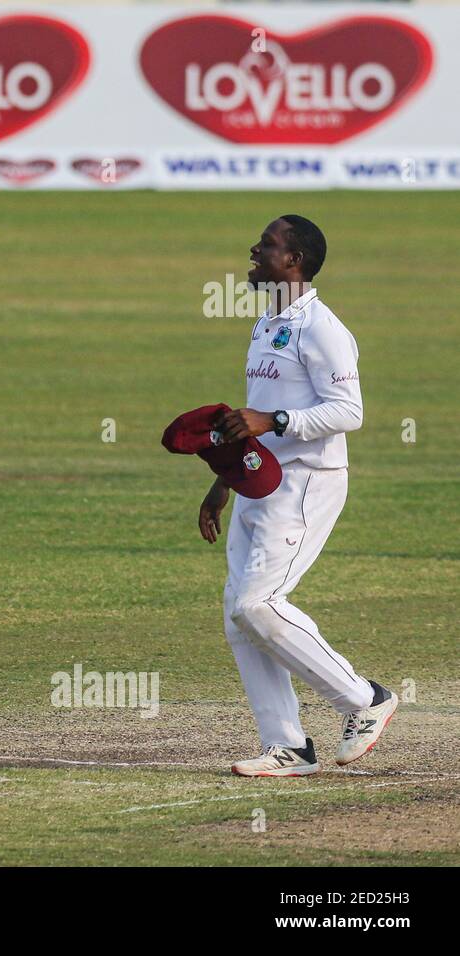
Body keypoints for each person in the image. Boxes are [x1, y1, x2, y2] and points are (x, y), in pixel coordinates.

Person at [199, 214, 397, 777]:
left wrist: (276, 418)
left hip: (307, 482)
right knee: (239, 619)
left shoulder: (323, 328)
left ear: (295, 262)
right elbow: (249, 419)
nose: (255, 250)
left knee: (257, 606)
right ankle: (287, 745)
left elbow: (349, 412)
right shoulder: (267, 324)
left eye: (268, 245)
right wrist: (222, 482)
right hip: (257, 481)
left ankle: (364, 699)